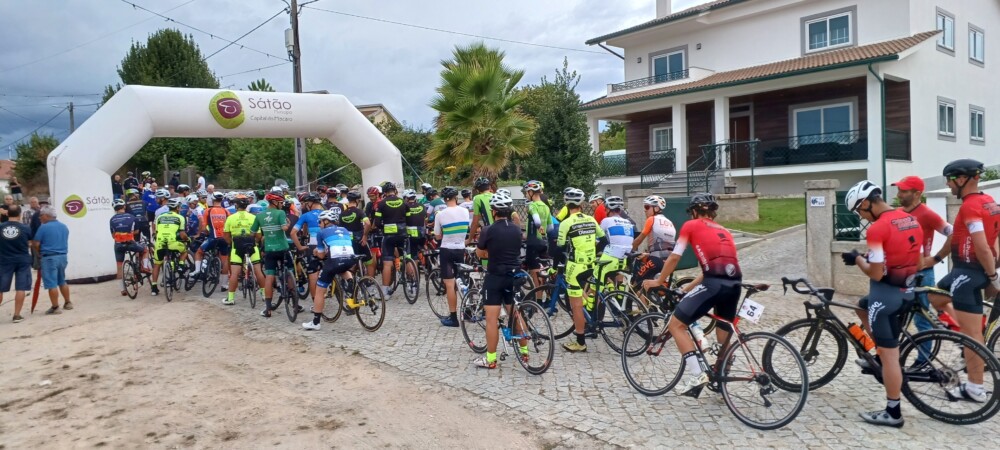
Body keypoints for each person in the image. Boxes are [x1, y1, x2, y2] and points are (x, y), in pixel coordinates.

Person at [642, 193, 742, 398]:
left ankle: (697, 375)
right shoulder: (724, 231)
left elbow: (675, 256)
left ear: (695, 212)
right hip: (734, 284)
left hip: (714, 284)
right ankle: (720, 377)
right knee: (723, 336)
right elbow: (710, 270)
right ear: (713, 212)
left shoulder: (691, 225)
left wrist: (659, 281)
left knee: (676, 325)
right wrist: (685, 290)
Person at [840, 180, 921, 427]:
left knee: (890, 358)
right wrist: (869, 258)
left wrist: (857, 259)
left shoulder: (877, 229)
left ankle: (893, 412)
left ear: (866, 203)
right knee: (860, 306)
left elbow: (875, 273)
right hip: (907, 289)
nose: (861, 216)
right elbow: (903, 255)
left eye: (859, 211)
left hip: (885, 296)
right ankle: (877, 351)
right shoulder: (910, 219)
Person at [927, 159, 998, 404]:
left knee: (973, 336)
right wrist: (934, 259)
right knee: (933, 295)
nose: (948, 184)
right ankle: (961, 334)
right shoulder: (988, 202)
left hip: (967, 274)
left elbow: (981, 245)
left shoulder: (970, 207)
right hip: (967, 272)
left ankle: (975, 388)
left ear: (962, 179)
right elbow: (965, 237)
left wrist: (992, 277)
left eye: (950, 179)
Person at [892, 175, 953, 349]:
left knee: (922, 320)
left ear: (917, 193)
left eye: (903, 191)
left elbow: (953, 233)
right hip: (901, 273)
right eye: (899, 190)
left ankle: (924, 361)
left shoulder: (926, 213)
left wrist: (936, 258)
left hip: (921, 273)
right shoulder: (900, 213)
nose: (898, 194)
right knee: (896, 316)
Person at [472, 191, 525, 369]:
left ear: (494, 211)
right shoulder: (517, 229)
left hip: (495, 277)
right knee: (515, 313)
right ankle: (525, 353)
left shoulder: (488, 230)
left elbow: (480, 253)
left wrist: (488, 252)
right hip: (514, 275)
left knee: (491, 320)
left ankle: (491, 359)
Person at [557, 187, 604, 353]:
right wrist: (592, 249)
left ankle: (580, 341)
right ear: (582, 203)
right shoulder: (591, 219)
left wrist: (555, 265)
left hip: (575, 267)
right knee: (590, 293)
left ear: (566, 204)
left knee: (576, 305)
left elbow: (559, 247)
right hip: (592, 264)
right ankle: (593, 318)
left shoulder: (566, 223)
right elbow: (604, 239)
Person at [303, 210, 357, 331]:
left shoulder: (321, 233)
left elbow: (321, 255)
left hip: (334, 260)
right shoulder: (344, 229)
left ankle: (315, 322)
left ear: (326, 221)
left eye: (320, 221)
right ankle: (350, 282)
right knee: (342, 268)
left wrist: (316, 252)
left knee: (319, 290)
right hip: (350, 258)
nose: (319, 224)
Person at [433, 187, 468, 327]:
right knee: (462, 282)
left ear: (444, 199)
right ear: (456, 198)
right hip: (461, 248)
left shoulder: (440, 214)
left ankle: (453, 318)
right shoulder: (464, 211)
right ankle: (468, 311)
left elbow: (437, 236)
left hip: (447, 249)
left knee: (450, 284)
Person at [224, 194, 265, 305]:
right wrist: (255, 242)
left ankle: (230, 298)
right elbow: (259, 235)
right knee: (258, 271)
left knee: (234, 274)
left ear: (236, 205)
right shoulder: (253, 217)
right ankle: (264, 294)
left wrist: (231, 243)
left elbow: (226, 236)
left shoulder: (230, 218)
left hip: (236, 247)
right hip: (252, 245)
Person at [254, 192, 290, 317]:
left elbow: (253, 231)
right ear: (274, 202)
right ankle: (295, 301)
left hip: (269, 249)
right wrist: (288, 224)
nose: (282, 204)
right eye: (280, 202)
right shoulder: (280, 213)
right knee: (290, 271)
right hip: (283, 248)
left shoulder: (260, 215)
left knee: (269, 276)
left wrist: (261, 238)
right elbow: (284, 228)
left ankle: (268, 309)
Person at [32, 205, 72, 313]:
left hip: (49, 257)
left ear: (46, 215)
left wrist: (39, 253)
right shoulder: (64, 226)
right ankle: (68, 302)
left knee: (51, 283)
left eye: (40, 216)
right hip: (62, 257)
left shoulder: (43, 227)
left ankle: (55, 307)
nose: (39, 218)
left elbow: (36, 243)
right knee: (62, 280)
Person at [149, 197, 188, 297]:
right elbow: (183, 234)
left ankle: (154, 288)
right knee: (184, 250)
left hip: (160, 244)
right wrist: (187, 239)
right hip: (173, 243)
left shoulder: (160, 217)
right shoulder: (180, 218)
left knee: (157, 264)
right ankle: (181, 264)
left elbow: (157, 232)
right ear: (177, 208)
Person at [373, 182, 407, 296]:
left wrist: (383, 227)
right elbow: (409, 217)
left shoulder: (381, 204)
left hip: (389, 235)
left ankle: (385, 291)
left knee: (387, 263)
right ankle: (413, 285)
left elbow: (377, 222)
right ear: (395, 191)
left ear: (384, 193)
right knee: (407, 257)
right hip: (403, 232)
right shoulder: (403, 202)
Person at [1, 205, 33, 323]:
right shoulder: (26, 228)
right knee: (21, 287)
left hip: (4, 261)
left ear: (7, 214)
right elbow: (31, 242)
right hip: (22, 260)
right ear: (19, 215)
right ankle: (16, 315)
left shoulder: (0, 227)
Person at [291, 193, 325, 298]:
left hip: (313, 245)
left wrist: (300, 247)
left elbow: (293, 233)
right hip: (328, 244)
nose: (306, 205)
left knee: (313, 275)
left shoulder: (306, 215)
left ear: (311, 203)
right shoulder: (328, 213)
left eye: (307, 203)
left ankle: (316, 301)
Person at [192, 192, 230, 284]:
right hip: (224, 238)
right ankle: (224, 284)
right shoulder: (226, 211)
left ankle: (197, 271)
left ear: (212, 200)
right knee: (224, 260)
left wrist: (205, 233)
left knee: (199, 252)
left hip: (213, 238)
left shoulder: (208, 211)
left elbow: (204, 227)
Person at [109, 199, 145, 296]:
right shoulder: (132, 217)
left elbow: (113, 235)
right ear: (124, 206)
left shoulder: (112, 219)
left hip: (118, 244)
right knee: (144, 249)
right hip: (130, 242)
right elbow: (137, 231)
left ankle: (122, 289)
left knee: (119, 266)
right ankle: (144, 267)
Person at [597, 196, 633, 289]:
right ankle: (618, 298)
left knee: (596, 283)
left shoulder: (606, 221)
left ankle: (607, 288)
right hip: (624, 259)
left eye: (605, 209)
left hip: (610, 256)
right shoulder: (628, 222)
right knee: (618, 277)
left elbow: (598, 240)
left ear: (608, 209)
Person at [523, 180, 551, 296]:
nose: (525, 195)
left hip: (533, 242)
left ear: (531, 192)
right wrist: (543, 233)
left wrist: (538, 228)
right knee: (543, 271)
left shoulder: (532, 205)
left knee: (535, 272)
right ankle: (548, 297)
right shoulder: (546, 206)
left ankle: (538, 299)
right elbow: (550, 227)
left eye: (526, 192)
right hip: (543, 242)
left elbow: (537, 221)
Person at [632, 195, 676, 259]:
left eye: (647, 207)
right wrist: (647, 254)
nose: (645, 210)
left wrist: (628, 250)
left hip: (656, 260)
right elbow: (664, 247)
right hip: (669, 261)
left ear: (656, 208)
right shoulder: (670, 223)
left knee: (639, 269)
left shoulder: (652, 219)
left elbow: (639, 240)